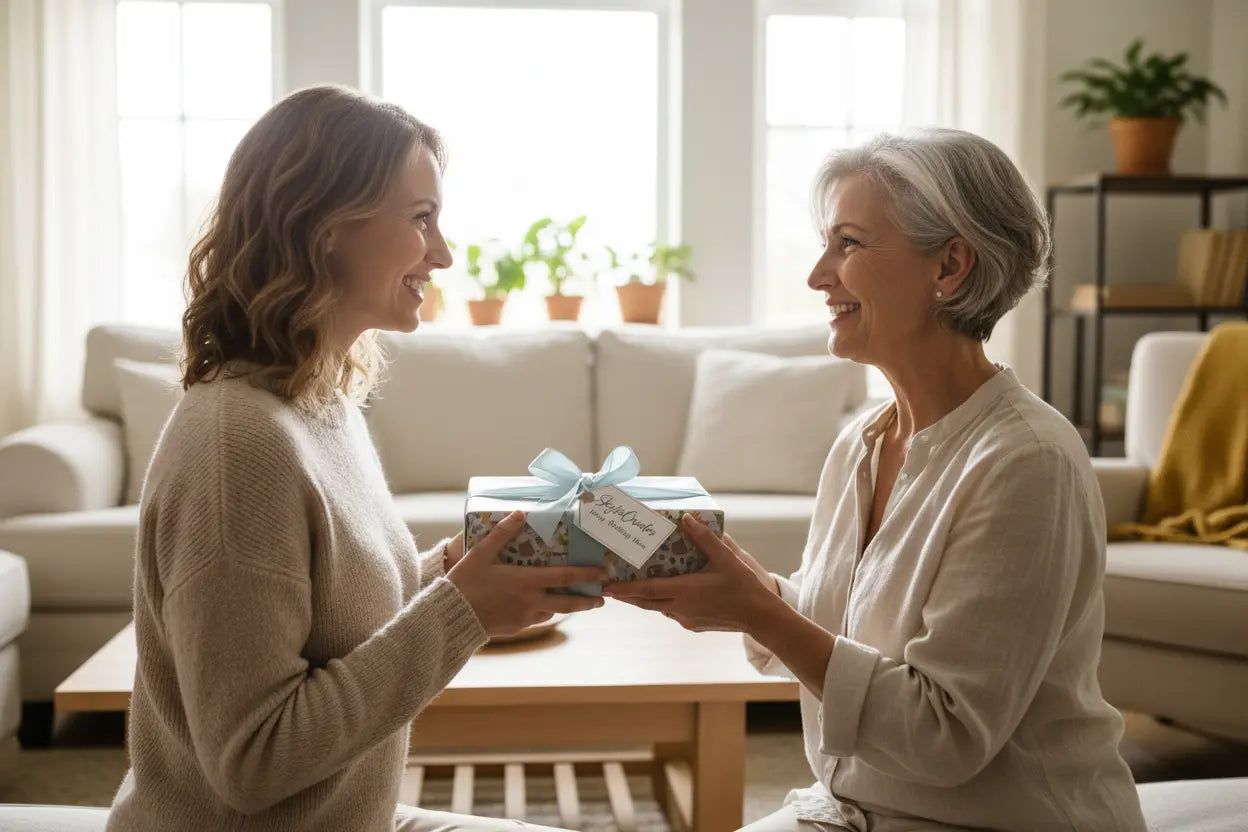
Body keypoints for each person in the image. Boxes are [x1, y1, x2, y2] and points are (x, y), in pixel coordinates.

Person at [606, 129, 1148, 831]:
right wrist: (743, 586)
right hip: (858, 809)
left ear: (949, 265)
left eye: (849, 244)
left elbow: (944, 735)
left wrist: (756, 611)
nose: (817, 275)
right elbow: (848, 623)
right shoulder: (862, 443)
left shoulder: (1027, 462)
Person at [106, 85, 604, 832]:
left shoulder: (318, 400)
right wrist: (463, 608)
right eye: (421, 219)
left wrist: (469, 563)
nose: (442, 252)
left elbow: (343, 613)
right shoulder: (237, 448)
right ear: (327, 227)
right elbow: (253, 762)